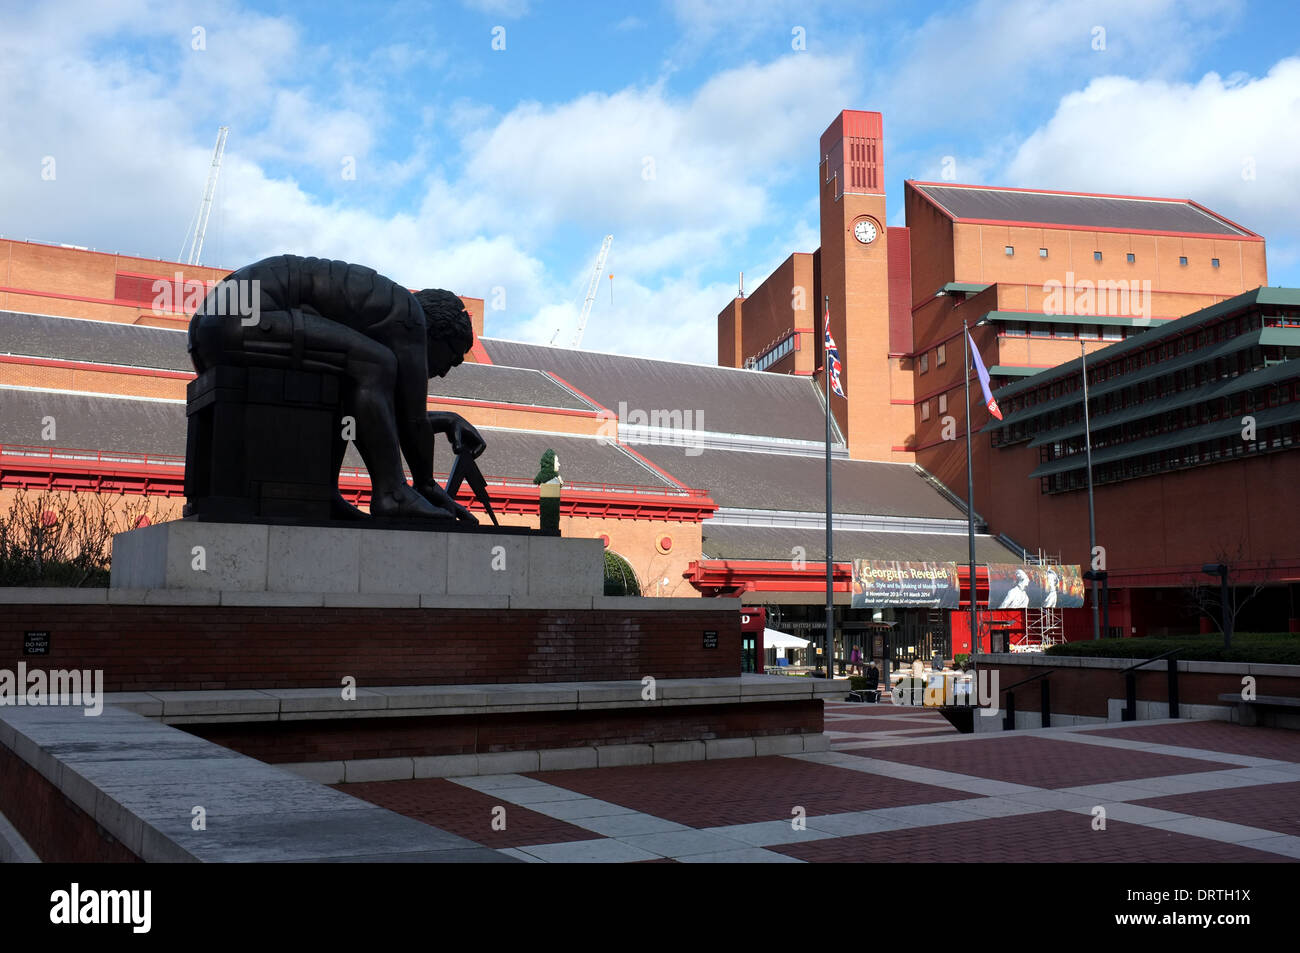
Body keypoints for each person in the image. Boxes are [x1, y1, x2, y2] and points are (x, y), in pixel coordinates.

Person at [188, 254, 485, 522]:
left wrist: (445, 420)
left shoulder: (387, 308)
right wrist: (426, 484)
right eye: (453, 357)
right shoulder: (410, 317)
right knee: (375, 364)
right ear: (439, 333)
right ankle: (392, 494)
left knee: (351, 375)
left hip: (213, 326)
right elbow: (411, 419)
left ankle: (323, 491)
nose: (445, 371)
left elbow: (378, 411)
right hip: (240, 318)